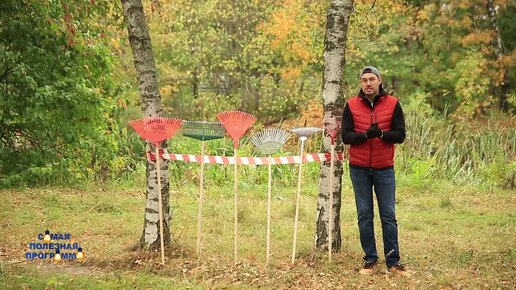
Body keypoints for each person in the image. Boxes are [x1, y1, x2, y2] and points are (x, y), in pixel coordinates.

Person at [341, 66, 411, 277]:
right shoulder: (351, 105)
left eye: (372, 79)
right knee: (364, 215)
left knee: (388, 216)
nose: (368, 83)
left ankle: (393, 261)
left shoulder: (393, 104)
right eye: (364, 80)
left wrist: (380, 133)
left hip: (384, 169)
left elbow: (400, 135)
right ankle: (370, 259)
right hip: (359, 169)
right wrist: (365, 136)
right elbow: (346, 136)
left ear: (380, 81)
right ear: (361, 83)